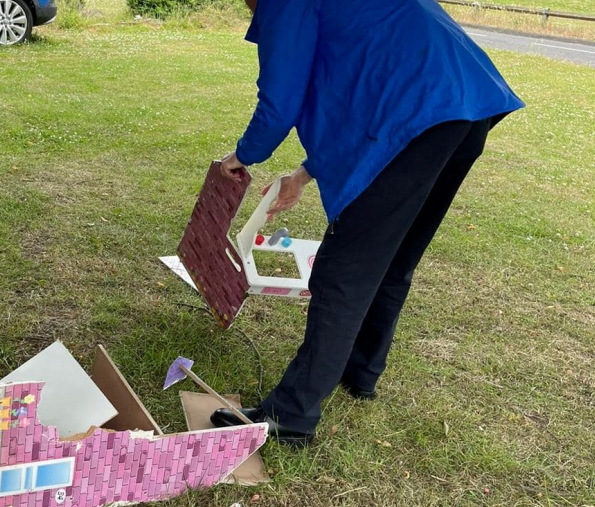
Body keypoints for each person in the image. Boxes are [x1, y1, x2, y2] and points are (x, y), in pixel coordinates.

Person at [210, 0, 525, 446]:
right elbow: (359, 84)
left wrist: (238, 158)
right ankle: (360, 372)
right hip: (463, 107)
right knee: (395, 256)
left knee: (344, 271)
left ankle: (293, 415)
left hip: (420, 111)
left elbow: (280, 103)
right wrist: (303, 174)